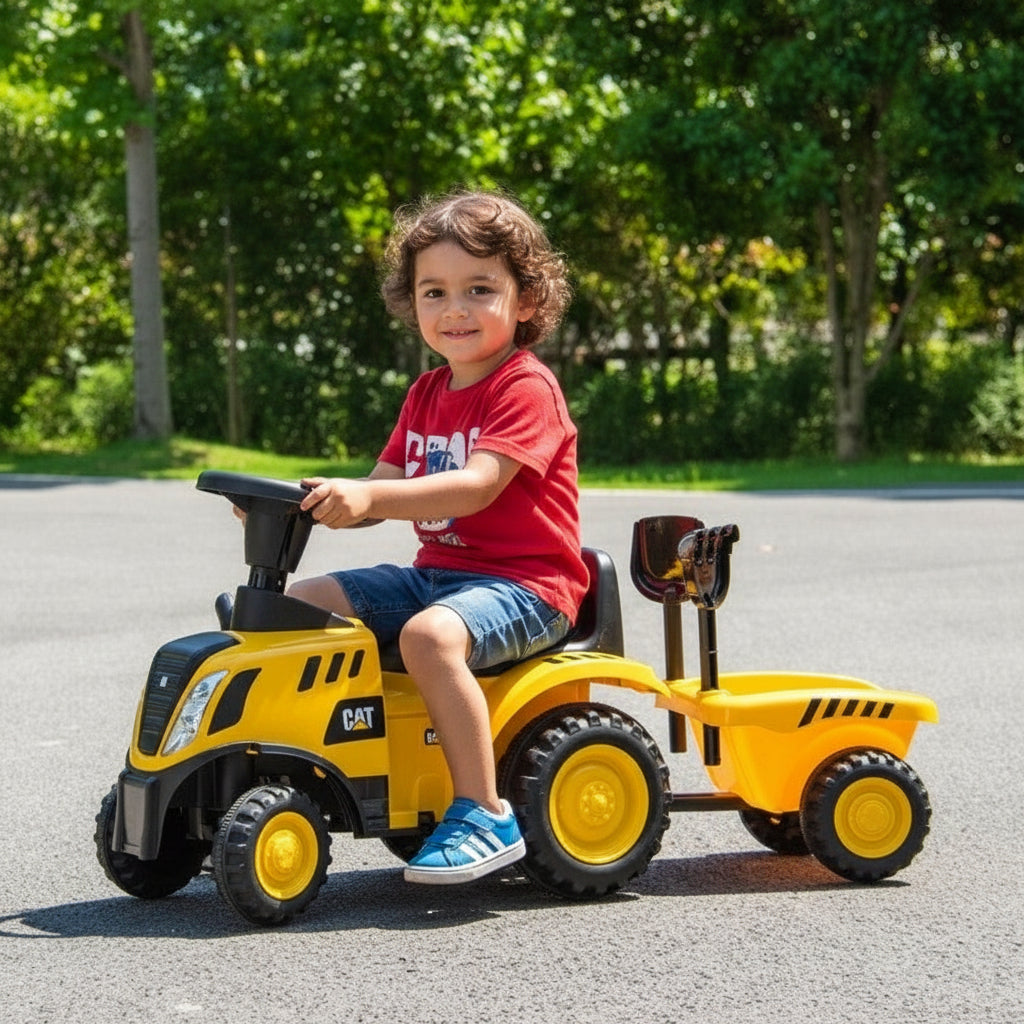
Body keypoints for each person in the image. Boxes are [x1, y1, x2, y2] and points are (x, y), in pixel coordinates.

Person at [288, 190, 588, 884]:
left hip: (528, 585)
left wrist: (371, 496)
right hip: (438, 577)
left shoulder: (525, 388)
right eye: (435, 291)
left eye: (479, 289)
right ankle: (298, 771)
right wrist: (310, 504)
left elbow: (475, 485)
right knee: (301, 606)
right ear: (411, 302)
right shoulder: (426, 393)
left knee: (428, 636)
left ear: (526, 301)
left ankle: (484, 812)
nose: (454, 309)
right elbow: (378, 489)